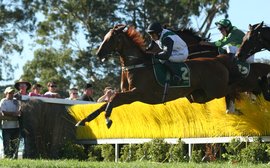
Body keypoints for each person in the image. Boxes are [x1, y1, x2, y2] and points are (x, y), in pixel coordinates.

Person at [0, 87, 21, 159]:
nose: (11, 94)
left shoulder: (16, 101)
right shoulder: (3, 101)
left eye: (12, 93)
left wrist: (18, 111)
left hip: (16, 127)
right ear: (6, 93)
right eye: (9, 93)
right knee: (6, 145)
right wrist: (14, 114)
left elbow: (20, 111)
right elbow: (3, 112)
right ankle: (7, 158)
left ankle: (14, 159)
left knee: (15, 145)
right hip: (6, 127)